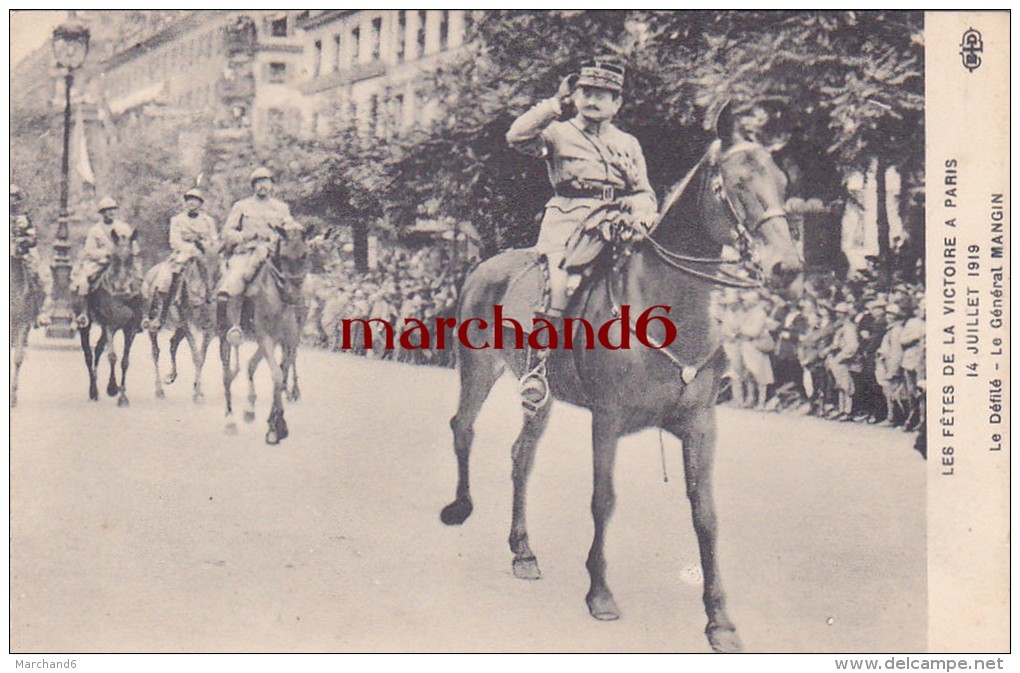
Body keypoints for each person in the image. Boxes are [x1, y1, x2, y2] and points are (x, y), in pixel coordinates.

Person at [505, 57, 657, 406]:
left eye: (604, 94)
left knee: (653, 279)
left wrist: (644, 212)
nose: (593, 100)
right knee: (559, 283)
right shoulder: (558, 132)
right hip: (569, 224)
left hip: (618, 224)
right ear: (575, 96)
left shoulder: (628, 143)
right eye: (586, 92)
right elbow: (517, 136)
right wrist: (553, 106)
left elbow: (644, 192)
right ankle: (538, 369)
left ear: (617, 104)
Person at [215, 166, 301, 345]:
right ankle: (235, 327)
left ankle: (294, 324)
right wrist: (245, 236)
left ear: (272, 185)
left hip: (273, 253)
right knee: (237, 278)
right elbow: (227, 232)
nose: (263, 186)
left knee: (297, 279)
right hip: (247, 252)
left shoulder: (281, 207)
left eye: (266, 182)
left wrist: (303, 233)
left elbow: (292, 227)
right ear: (253, 186)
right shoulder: (241, 206)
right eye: (259, 182)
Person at [147, 188, 219, 329]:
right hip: (183, 253)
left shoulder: (208, 221)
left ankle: (213, 305)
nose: (192, 203)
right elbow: (174, 241)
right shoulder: (177, 220)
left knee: (218, 272)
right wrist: (188, 248)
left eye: (195, 200)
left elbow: (214, 240)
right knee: (165, 276)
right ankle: (161, 313)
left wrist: (202, 243)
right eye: (189, 200)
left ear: (200, 203)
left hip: (203, 253)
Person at [70, 197, 141, 325]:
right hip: (100, 263)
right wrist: (106, 254)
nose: (110, 213)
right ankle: (84, 313)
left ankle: (140, 316)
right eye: (107, 210)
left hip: (121, 264)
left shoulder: (124, 228)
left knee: (139, 282)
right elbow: (89, 251)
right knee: (84, 282)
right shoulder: (95, 230)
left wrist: (127, 253)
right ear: (102, 213)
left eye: (113, 210)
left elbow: (134, 246)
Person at [10, 184, 46, 294]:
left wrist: (23, 241)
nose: (12, 201)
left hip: (21, 253)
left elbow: (32, 238)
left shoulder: (24, 218)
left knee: (35, 273)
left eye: (15, 197)